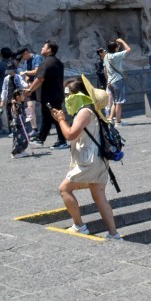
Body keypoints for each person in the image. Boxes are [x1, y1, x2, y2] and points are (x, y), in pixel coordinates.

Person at [47, 77, 122, 238]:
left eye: (69, 94)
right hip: (99, 158)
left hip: (89, 161)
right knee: (99, 196)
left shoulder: (84, 112)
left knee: (64, 189)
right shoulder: (92, 110)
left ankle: (79, 225)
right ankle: (113, 233)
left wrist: (60, 120)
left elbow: (69, 134)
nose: (66, 98)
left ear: (78, 95)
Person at [24, 40, 67, 149]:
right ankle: (40, 139)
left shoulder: (46, 63)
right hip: (56, 94)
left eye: (43, 47)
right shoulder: (58, 62)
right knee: (48, 118)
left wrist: (30, 90)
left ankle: (61, 140)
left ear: (49, 49)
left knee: (55, 117)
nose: (41, 49)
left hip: (49, 95)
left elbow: (39, 79)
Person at [103, 37, 131, 125]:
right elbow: (128, 49)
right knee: (119, 101)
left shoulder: (106, 56)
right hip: (117, 81)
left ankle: (111, 118)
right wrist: (122, 41)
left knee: (115, 102)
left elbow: (105, 70)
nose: (119, 47)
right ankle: (118, 121)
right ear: (115, 48)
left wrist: (107, 81)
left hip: (110, 82)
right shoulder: (115, 56)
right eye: (117, 46)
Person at [0, 47, 15, 135]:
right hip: (12, 88)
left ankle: (5, 128)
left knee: (2, 108)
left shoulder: (0, 65)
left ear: (1, 55)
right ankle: (14, 126)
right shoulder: (13, 64)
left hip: (1, 89)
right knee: (12, 108)